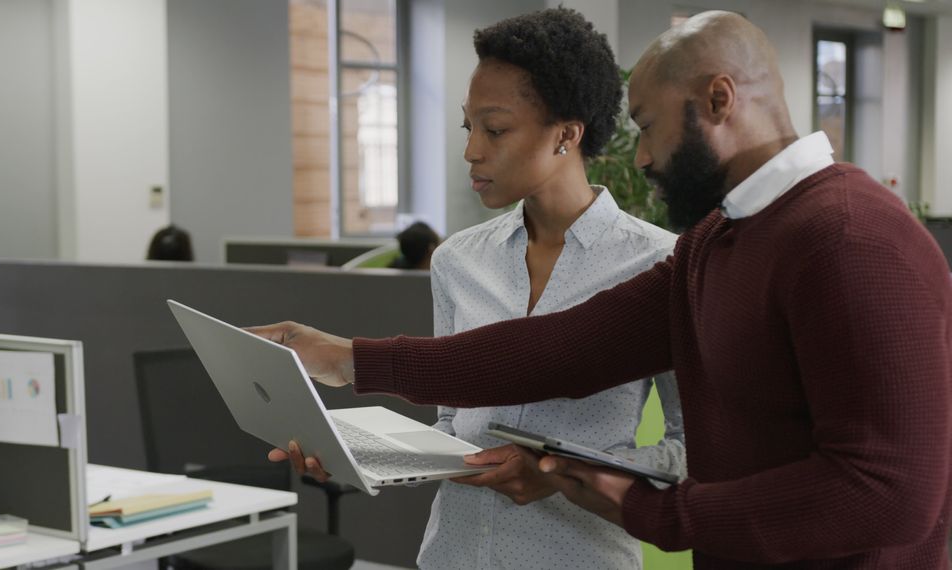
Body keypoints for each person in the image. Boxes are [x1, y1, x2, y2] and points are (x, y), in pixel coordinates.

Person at [251, 10, 952, 568]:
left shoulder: (851, 238)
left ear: (718, 99)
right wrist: (346, 359)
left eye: (649, 126)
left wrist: (638, 505)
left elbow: (887, 495)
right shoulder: (721, 241)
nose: (640, 157)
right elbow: (557, 351)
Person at [275, 8, 686, 569]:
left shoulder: (660, 264)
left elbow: (693, 450)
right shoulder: (458, 261)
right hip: (453, 553)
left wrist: (567, 474)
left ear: (567, 134)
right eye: (470, 127)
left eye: (495, 130)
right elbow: (452, 428)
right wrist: (362, 459)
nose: (472, 151)